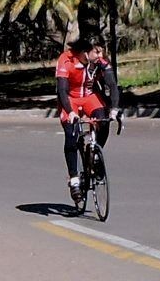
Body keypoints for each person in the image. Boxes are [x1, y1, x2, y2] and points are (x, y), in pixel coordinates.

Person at [55, 34, 120, 199]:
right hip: (71, 98)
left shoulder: (100, 62)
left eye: (101, 52)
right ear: (85, 52)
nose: (100, 55)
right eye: (96, 52)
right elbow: (61, 89)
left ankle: (94, 157)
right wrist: (70, 111)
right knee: (71, 135)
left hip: (90, 97)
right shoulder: (66, 59)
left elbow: (112, 85)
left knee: (103, 121)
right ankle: (74, 178)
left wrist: (114, 109)